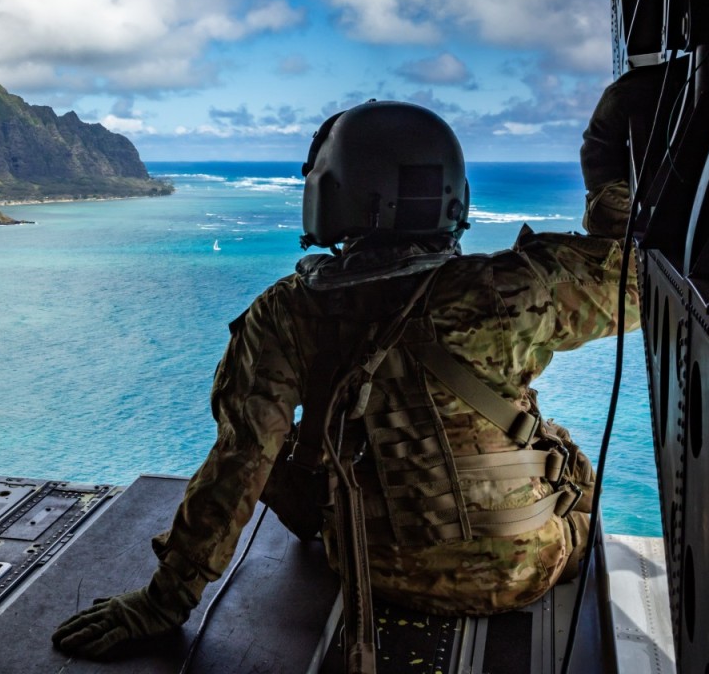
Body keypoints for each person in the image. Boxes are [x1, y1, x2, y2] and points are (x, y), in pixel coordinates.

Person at [53, 87, 643, 662]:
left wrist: (164, 602)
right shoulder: (510, 290)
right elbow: (637, 280)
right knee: (573, 481)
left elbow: (241, 462)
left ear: (335, 196)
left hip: (368, 566)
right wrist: (606, 164)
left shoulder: (285, 313)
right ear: (454, 198)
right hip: (522, 569)